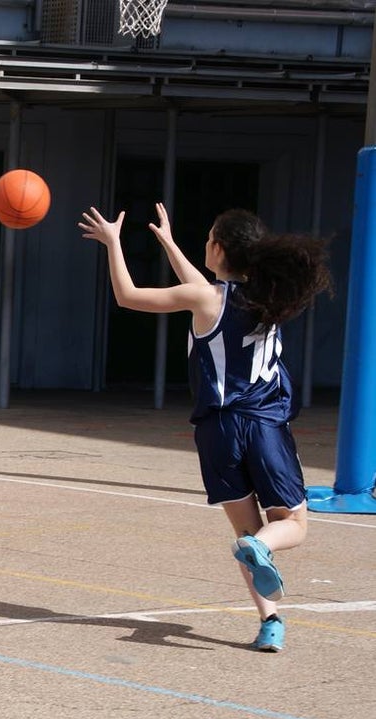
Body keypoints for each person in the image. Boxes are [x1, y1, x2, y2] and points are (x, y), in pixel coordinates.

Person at [80, 202, 332, 652]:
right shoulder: (267, 298)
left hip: (217, 433)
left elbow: (128, 295)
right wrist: (170, 243)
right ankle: (265, 564)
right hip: (264, 426)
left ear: (217, 248)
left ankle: (270, 619)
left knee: (246, 534)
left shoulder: (206, 299)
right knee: (290, 524)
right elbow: (203, 283)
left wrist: (115, 243)